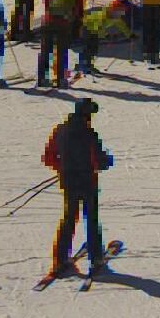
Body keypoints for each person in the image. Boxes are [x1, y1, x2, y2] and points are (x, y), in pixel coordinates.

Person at [40, 98, 113, 279]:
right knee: (91, 219)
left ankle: (60, 260)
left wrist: (62, 167)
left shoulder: (60, 130)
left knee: (69, 219)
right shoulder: (89, 134)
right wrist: (106, 161)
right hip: (87, 182)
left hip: (68, 181)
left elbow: (48, 157)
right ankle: (96, 258)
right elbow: (99, 161)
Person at [37, 0, 82, 88]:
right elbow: (77, 11)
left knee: (46, 52)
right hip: (62, 26)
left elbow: (46, 5)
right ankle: (60, 78)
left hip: (48, 24)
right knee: (61, 52)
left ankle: (42, 78)